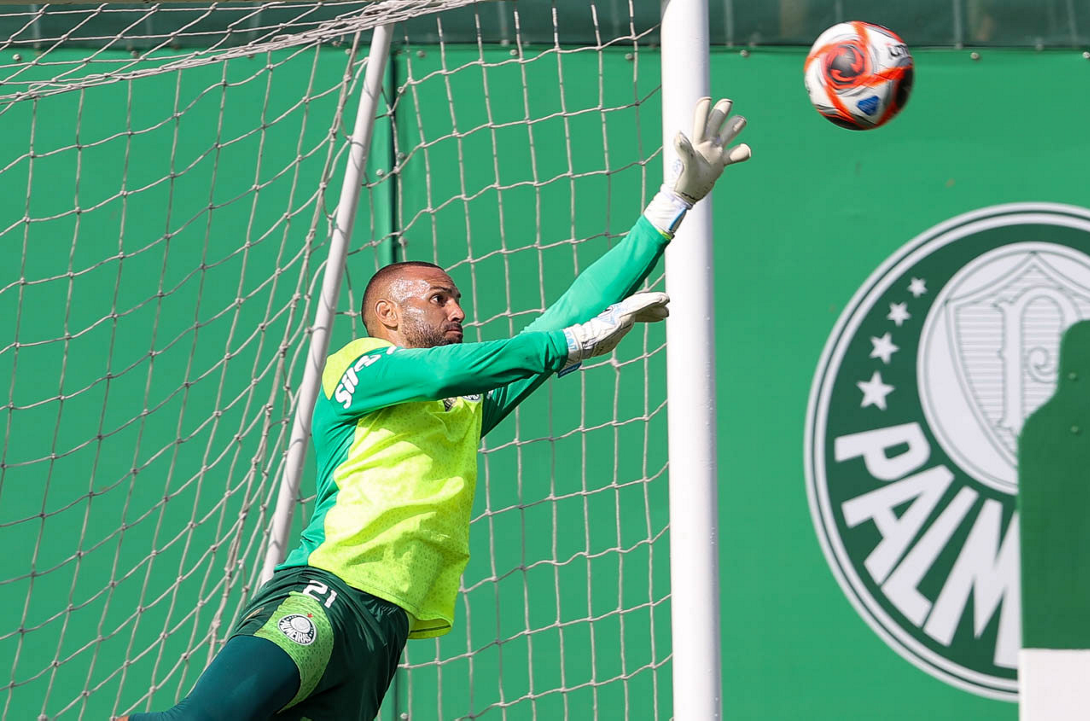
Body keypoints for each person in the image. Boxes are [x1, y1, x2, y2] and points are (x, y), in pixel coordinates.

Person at [117, 96, 751, 721]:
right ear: (388, 314)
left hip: (382, 631)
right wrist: (572, 344)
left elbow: (568, 314)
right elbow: (479, 360)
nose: (459, 311)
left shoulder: (465, 406)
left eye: (457, 299)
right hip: (323, 593)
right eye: (439, 298)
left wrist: (674, 201)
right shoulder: (358, 366)